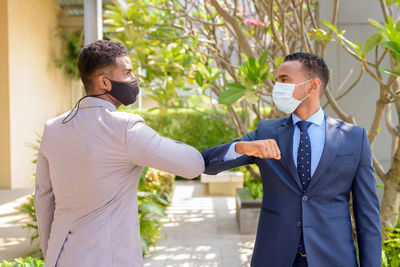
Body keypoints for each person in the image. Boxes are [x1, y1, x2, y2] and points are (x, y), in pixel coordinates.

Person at [34, 40, 205, 267]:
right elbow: (193, 166)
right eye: (127, 73)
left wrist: (52, 254)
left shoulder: (52, 128)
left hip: (62, 257)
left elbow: (43, 199)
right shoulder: (125, 128)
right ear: (104, 82)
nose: (134, 79)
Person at [202, 52, 382, 267]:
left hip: (333, 258)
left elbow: (368, 218)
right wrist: (241, 147)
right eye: (276, 80)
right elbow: (206, 164)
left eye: (285, 80)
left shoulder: (354, 138)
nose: (277, 87)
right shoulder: (265, 131)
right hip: (275, 258)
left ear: (312, 85)